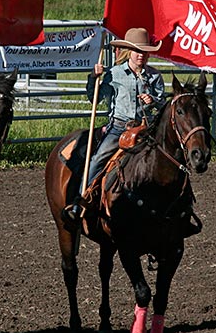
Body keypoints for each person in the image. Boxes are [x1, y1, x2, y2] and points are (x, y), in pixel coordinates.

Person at [62, 27, 166, 223]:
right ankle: (81, 199)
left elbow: (163, 104)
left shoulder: (154, 76)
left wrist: (152, 100)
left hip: (146, 128)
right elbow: (94, 98)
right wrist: (94, 78)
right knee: (98, 158)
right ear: (129, 52)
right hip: (119, 128)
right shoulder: (114, 73)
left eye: (144, 51)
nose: (141, 55)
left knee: (166, 157)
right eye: (137, 51)